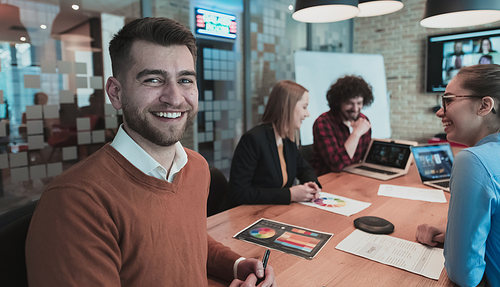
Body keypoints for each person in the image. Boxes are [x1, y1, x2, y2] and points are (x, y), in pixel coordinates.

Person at [25, 17, 276, 287]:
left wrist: (235, 265)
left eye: (185, 80)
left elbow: (187, 239)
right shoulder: (75, 202)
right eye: (154, 80)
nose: (175, 97)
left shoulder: (197, 167)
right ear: (116, 93)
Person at [415, 64, 500, 287]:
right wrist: (454, 233)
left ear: (484, 105)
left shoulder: (473, 160)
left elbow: (465, 275)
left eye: (449, 100)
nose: (439, 111)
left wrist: (456, 244)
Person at [228, 80, 321, 207]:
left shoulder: (287, 139)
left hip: (274, 211)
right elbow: (238, 194)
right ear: (287, 106)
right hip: (250, 215)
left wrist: (311, 184)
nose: (307, 114)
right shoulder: (253, 139)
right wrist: (290, 194)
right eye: (304, 107)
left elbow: (304, 168)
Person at [309, 75, 374, 175]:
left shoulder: (363, 120)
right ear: (338, 102)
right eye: (349, 103)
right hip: (327, 181)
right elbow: (337, 165)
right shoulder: (323, 122)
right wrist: (356, 134)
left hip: (352, 177)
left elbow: (366, 158)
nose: (355, 109)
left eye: (359, 103)